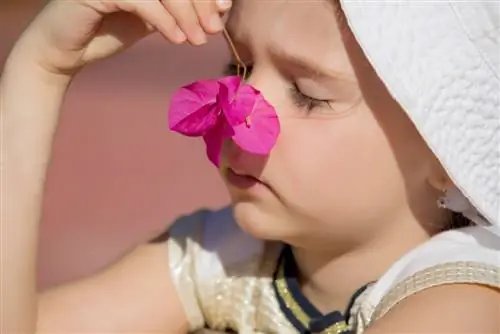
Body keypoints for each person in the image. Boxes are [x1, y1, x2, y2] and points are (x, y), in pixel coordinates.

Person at [2, 0, 499, 333]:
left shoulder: (462, 303)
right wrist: (42, 69)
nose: (237, 119)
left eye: (308, 95)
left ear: (446, 152)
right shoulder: (229, 259)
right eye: (235, 70)